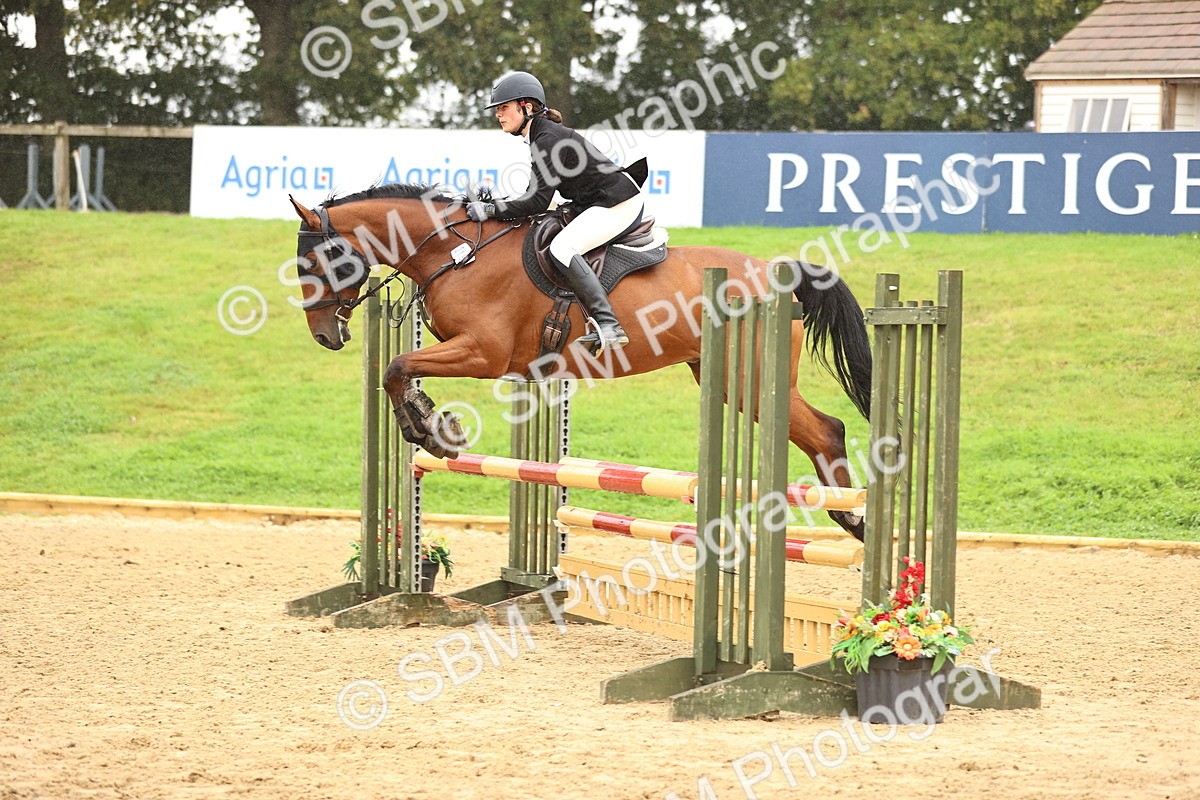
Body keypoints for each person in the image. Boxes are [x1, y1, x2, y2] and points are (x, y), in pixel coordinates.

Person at [465, 71, 645, 354]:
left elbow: (537, 201)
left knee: (561, 248)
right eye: (497, 109)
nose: (498, 115)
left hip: (618, 203)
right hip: (594, 201)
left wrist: (491, 209)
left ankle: (609, 326)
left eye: (503, 107)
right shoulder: (540, 135)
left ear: (526, 106)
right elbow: (534, 197)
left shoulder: (546, 139)